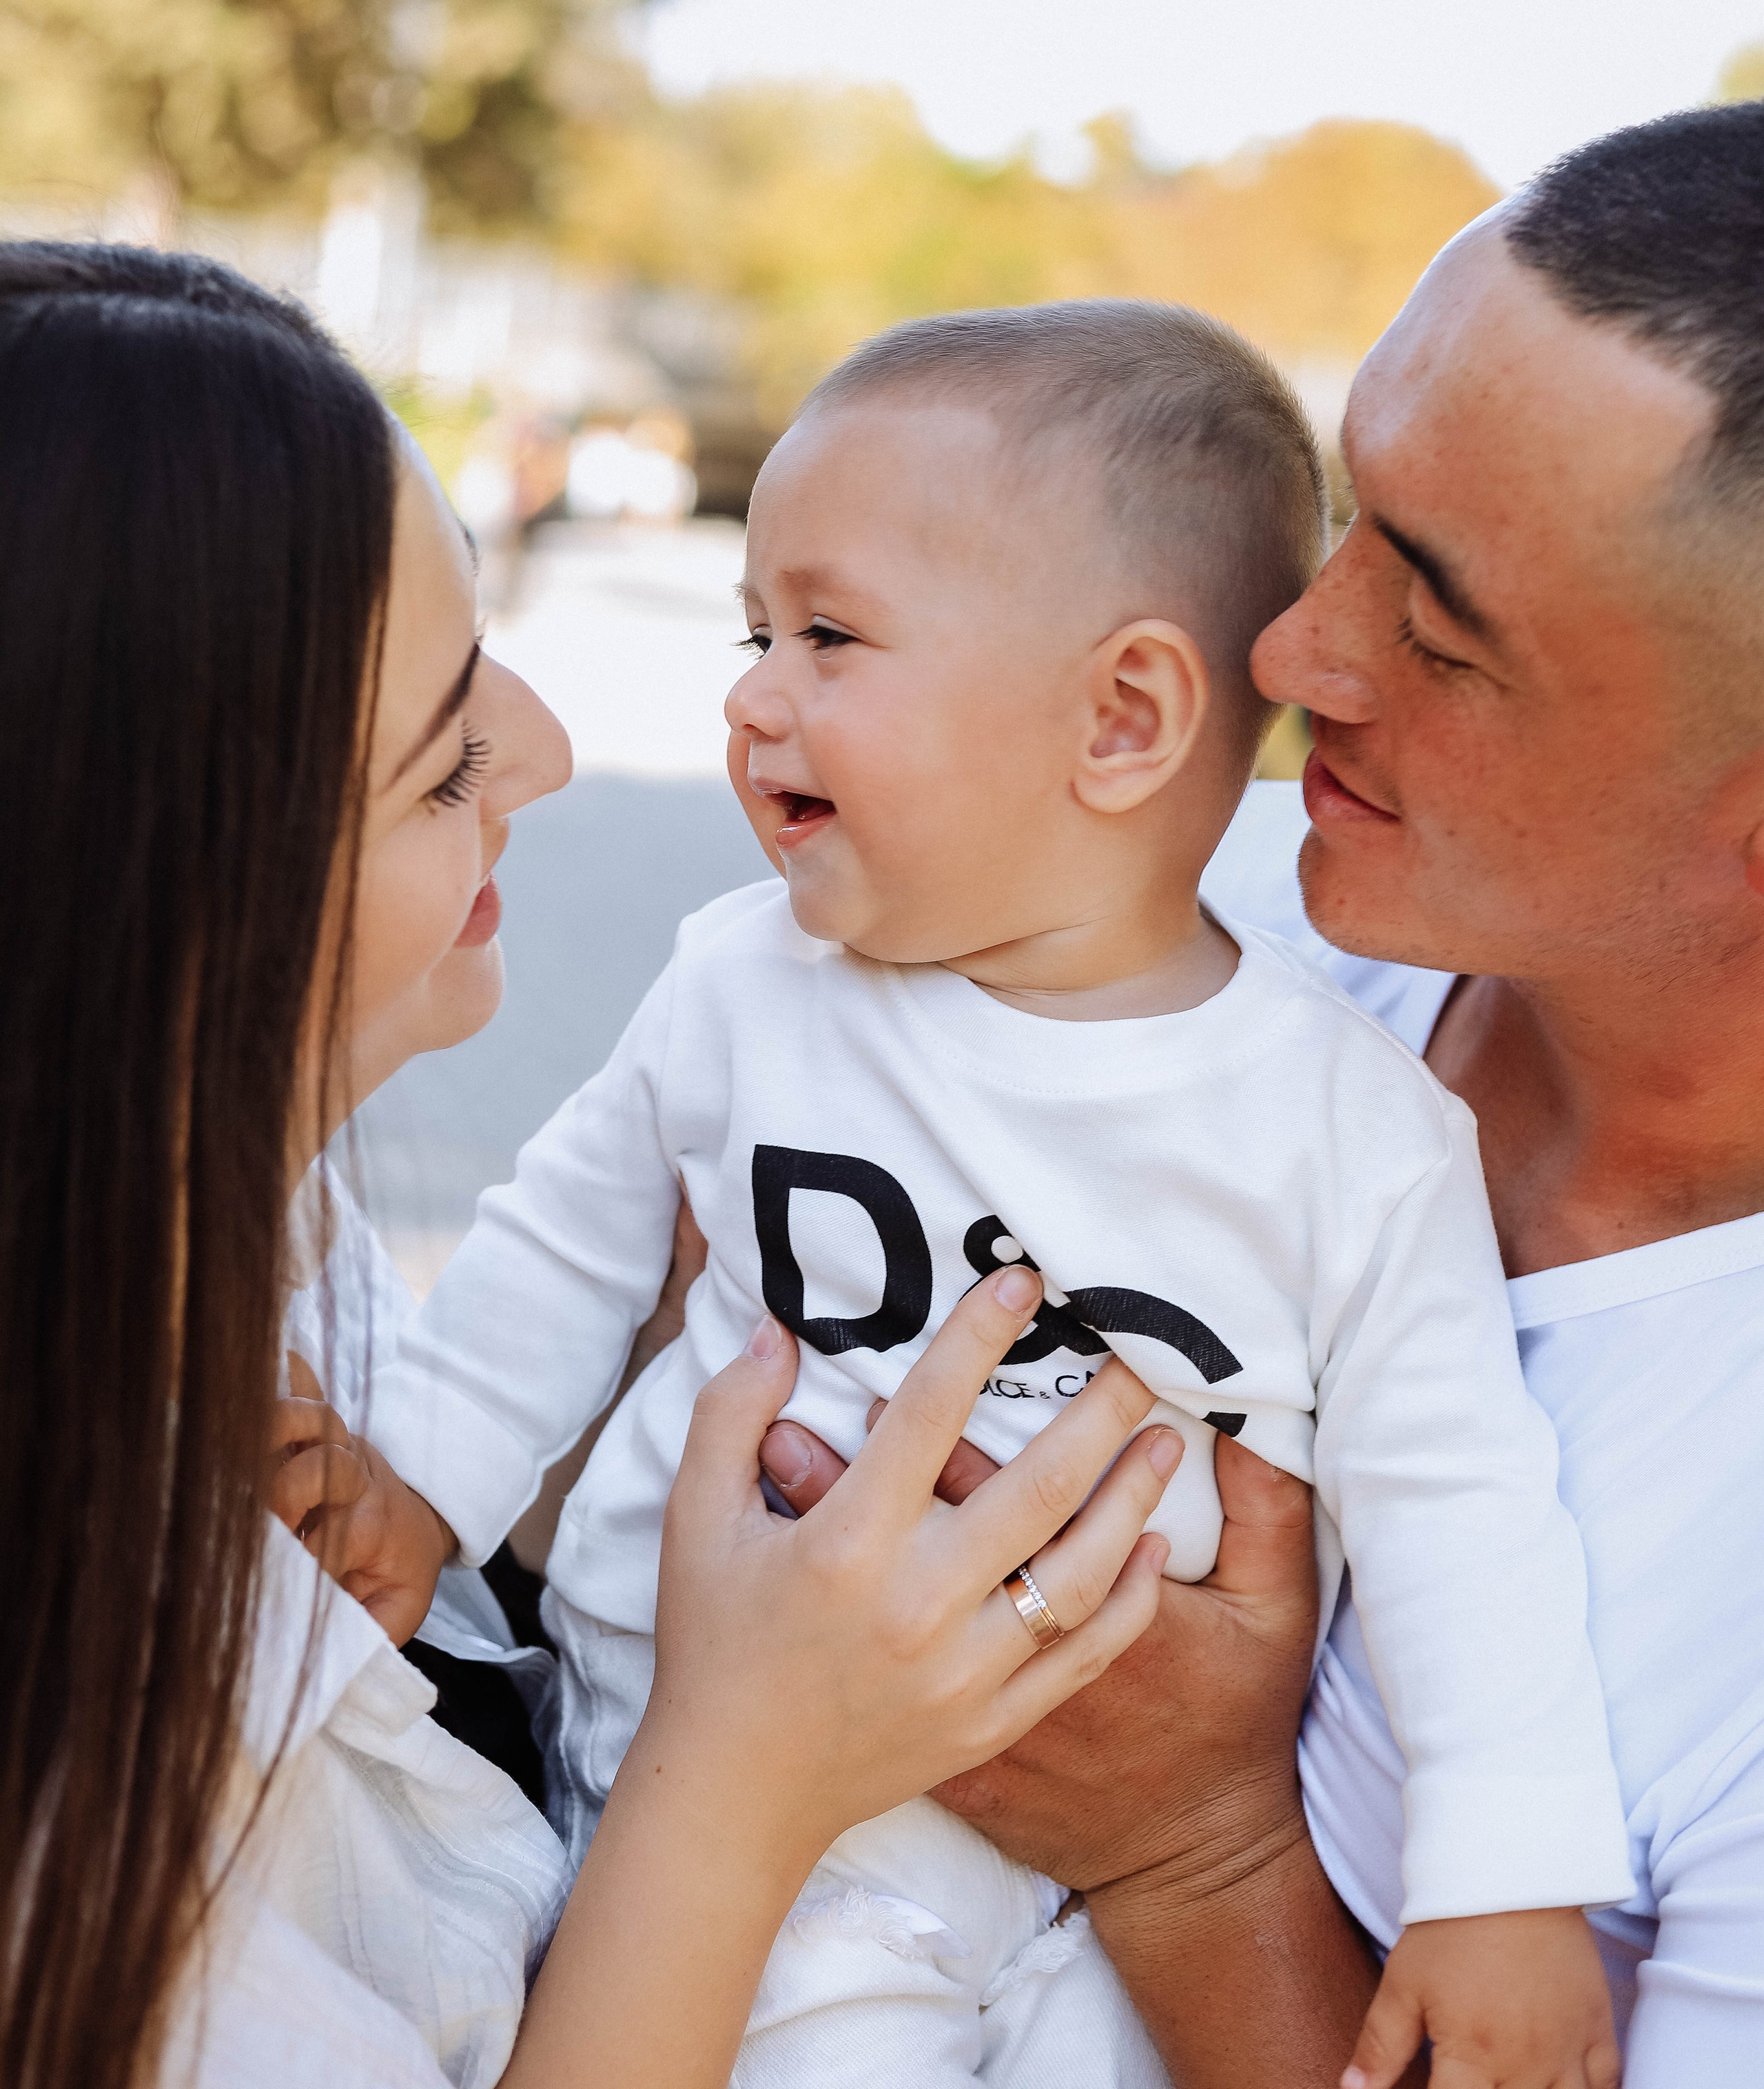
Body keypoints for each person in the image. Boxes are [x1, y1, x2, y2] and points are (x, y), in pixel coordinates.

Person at [357, 303, 1623, 2089]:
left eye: (827, 634)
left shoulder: (1352, 1127)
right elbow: (563, 1244)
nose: (749, 693)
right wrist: (414, 1487)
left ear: (1121, 717)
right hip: (758, 1829)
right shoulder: (743, 986)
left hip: (1094, 1888)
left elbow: (1462, 1505)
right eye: (751, 631)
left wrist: (1504, 1882)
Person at [0, 240, 1176, 2089]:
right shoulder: (76, 1798)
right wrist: (747, 1778)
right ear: (160, 910)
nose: (542, 752)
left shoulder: (233, 1228)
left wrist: (623, 1435)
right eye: (441, 749)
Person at [761, 101, 1764, 2089]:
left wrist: (1188, 1849)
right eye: (1352, 517)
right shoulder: (1150, 920)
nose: (1295, 649)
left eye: (1442, 626)